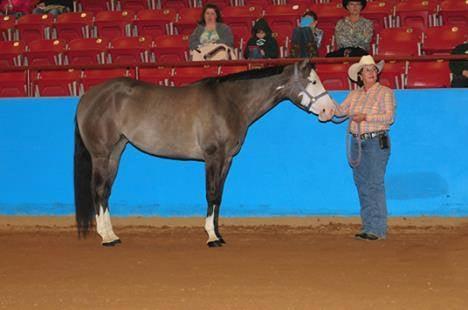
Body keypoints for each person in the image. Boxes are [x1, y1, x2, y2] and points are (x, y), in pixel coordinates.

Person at [333, 55, 396, 240]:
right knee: (362, 184)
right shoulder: (354, 94)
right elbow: (340, 111)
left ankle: (377, 228)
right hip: (357, 141)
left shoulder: (385, 92)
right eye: (367, 70)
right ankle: (368, 225)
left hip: (376, 141)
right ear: (360, 75)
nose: (372, 73)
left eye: (374, 70)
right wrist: (326, 106)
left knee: (374, 183)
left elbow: (389, 117)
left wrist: (366, 117)